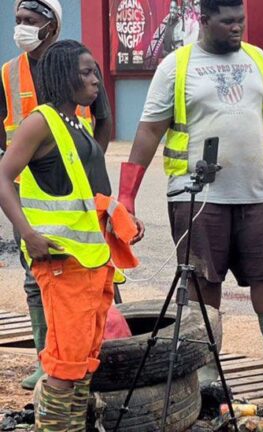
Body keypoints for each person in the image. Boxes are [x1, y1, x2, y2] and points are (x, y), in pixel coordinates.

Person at [117, 0, 263, 395]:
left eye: (241, 20)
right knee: (204, 281)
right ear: (203, 21)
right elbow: (149, 131)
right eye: (227, 22)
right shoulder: (177, 65)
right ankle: (205, 369)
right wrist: (127, 196)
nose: (237, 29)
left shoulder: (258, 59)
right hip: (197, 196)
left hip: (259, 193)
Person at [0, 40, 142, 431]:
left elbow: (85, 188)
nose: (95, 79)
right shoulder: (40, 122)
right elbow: (2, 176)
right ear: (63, 76)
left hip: (91, 262)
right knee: (66, 361)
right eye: (86, 72)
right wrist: (27, 233)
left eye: (95, 71)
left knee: (84, 356)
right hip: (62, 264)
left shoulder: (75, 124)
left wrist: (119, 217)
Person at [1, 0, 114, 390]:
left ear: (51, 26)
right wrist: (27, 225)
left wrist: (93, 180)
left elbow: (104, 121)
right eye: (18, 20)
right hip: (35, 199)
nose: (21, 28)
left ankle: (63, 364)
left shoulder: (74, 77)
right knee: (40, 287)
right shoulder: (10, 76)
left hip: (75, 205)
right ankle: (45, 358)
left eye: (30, 21)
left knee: (84, 315)